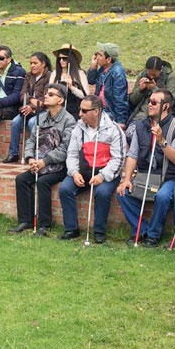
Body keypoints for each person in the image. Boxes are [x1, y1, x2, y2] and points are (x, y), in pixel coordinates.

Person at [116, 90, 175, 248]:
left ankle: (154, 235)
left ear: (166, 106)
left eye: (154, 102)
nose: (149, 104)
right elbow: (133, 155)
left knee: (162, 196)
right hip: (146, 175)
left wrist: (162, 141)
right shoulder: (140, 126)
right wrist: (127, 179)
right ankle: (142, 230)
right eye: (149, 101)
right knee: (123, 192)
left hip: (171, 177)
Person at [10, 84, 76, 236]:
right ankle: (25, 220)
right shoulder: (41, 117)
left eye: (51, 94)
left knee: (43, 181)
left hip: (59, 166)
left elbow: (65, 149)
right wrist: (30, 158)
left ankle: (45, 225)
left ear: (60, 100)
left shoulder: (69, 121)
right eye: (47, 93)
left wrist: (44, 161)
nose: (46, 96)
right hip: (39, 163)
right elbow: (31, 141)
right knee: (21, 179)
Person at [59, 94, 126, 243]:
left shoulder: (114, 130)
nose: (80, 114)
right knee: (65, 189)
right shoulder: (78, 129)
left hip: (106, 173)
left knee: (102, 192)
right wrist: (74, 172)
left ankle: (99, 232)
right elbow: (72, 153)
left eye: (84, 110)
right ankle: (71, 229)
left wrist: (102, 176)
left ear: (96, 111)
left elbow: (119, 158)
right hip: (83, 170)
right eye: (80, 110)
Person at [4, 52, 52, 163]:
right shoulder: (28, 76)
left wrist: (33, 106)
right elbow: (22, 94)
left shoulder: (49, 76)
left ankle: (33, 153)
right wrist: (30, 102)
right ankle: (13, 153)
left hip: (44, 111)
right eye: (30, 63)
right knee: (15, 122)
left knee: (31, 123)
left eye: (35, 63)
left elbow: (47, 97)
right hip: (28, 109)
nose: (32, 66)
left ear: (43, 64)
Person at [87, 42, 128, 128]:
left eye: (100, 55)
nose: (97, 57)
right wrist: (93, 67)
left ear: (108, 59)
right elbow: (91, 81)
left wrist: (121, 121)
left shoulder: (117, 73)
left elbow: (120, 99)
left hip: (110, 111)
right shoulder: (103, 69)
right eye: (97, 54)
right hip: (99, 108)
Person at [127, 56, 175, 124]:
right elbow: (133, 101)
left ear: (161, 70)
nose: (151, 77)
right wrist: (140, 90)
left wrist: (154, 88)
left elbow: (171, 101)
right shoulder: (142, 75)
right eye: (149, 74)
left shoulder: (169, 76)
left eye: (154, 74)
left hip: (159, 116)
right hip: (141, 115)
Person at [50, 43, 90, 120]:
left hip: (75, 112)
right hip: (57, 110)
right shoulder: (54, 74)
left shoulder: (80, 74)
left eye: (64, 58)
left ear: (71, 59)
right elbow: (49, 93)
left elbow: (85, 96)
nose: (61, 61)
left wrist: (72, 87)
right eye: (59, 58)